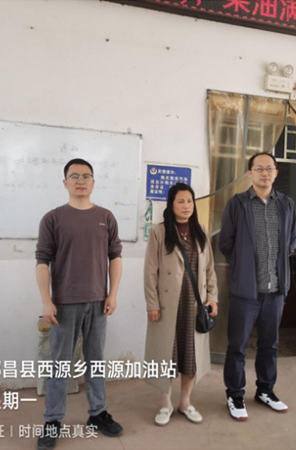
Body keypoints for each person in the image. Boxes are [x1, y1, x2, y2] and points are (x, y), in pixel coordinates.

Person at [35, 158, 123, 450]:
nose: (81, 180)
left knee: (95, 360)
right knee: (60, 364)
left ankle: (98, 413)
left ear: (93, 182)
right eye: (74, 176)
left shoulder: (106, 217)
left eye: (86, 176)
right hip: (64, 303)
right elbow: (42, 261)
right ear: (65, 183)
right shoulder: (53, 218)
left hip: (98, 302)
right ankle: (52, 420)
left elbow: (115, 257)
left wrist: (112, 294)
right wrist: (46, 300)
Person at [219, 152, 296, 420]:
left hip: (275, 291)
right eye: (259, 168)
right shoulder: (237, 204)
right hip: (246, 291)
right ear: (249, 173)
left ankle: (265, 391)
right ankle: (235, 394)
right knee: (237, 346)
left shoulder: (286, 204)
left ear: (276, 173)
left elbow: (292, 241)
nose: (265, 173)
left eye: (269, 168)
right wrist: (243, 265)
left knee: (270, 345)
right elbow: (225, 243)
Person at [144, 183, 218, 427]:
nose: (187, 206)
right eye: (181, 201)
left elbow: (209, 269)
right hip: (168, 305)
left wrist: (213, 297)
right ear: (171, 204)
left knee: (190, 356)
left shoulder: (200, 231)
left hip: (195, 305)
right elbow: (150, 271)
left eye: (190, 201)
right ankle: (165, 403)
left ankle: (185, 402)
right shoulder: (160, 232)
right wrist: (152, 304)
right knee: (166, 356)